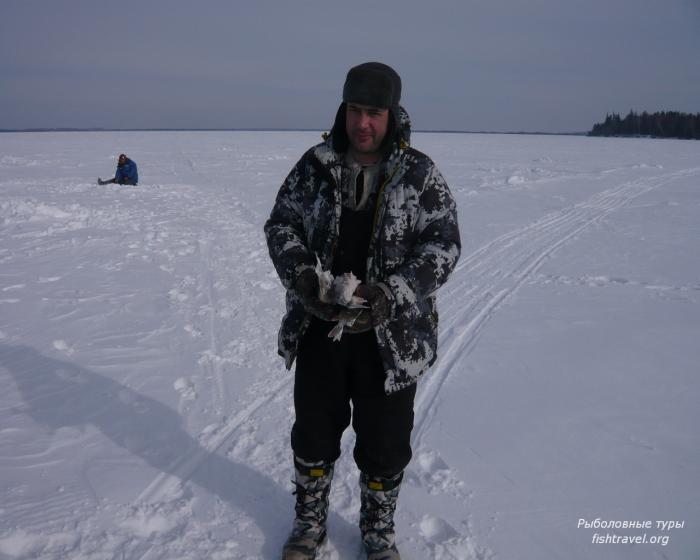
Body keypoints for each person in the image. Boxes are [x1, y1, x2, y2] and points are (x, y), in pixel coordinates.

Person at [264, 62, 461, 560]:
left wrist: (390, 293)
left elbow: (443, 246)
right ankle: (310, 523)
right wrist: (303, 278)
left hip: (390, 341)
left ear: (391, 115)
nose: (363, 123)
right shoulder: (316, 165)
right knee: (312, 434)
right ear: (343, 110)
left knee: (385, 442)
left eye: (374, 112)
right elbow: (280, 225)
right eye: (355, 110)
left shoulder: (418, 174)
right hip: (320, 330)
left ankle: (378, 531)